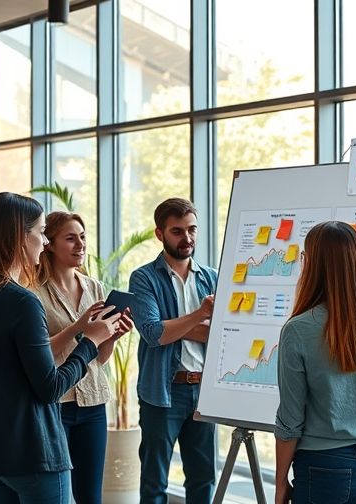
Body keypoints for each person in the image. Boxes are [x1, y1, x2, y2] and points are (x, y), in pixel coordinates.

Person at [0, 192, 120, 503]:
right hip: (31, 453)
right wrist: (90, 341)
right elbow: (50, 387)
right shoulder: (23, 301)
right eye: (41, 233)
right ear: (19, 238)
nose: (45, 242)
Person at [273, 221, 356, 504]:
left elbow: (290, 420)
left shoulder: (298, 329)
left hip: (326, 470)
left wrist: (281, 481)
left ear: (312, 265)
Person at [35, 210, 135, 503]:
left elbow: (99, 358)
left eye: (82, 237)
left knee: (91, 496)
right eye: (70, 238)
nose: (80, 245)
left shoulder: (95, 287)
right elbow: (40, 353)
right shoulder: (33, 293)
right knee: (58, 494)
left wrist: (112, 335)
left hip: (93, 401)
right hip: (57, 403)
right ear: (49, 244)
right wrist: (79, 327)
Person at [129, 197, 219, 504]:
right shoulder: (144, 278)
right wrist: (199, 315)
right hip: (162, 392)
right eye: (178, 231)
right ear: (160, 234)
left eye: (192, 229)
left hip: (203, 390)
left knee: (204, 477)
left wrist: (175, 328)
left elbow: (220, 335)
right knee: (155, 482)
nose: (188, 238)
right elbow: (153, 333)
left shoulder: (211, 277)